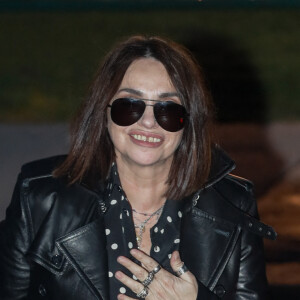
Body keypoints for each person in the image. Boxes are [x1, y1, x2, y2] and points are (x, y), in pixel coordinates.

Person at [0, 35, 276, 300]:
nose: (148, 121)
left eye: (168, 109)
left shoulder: (233, 206)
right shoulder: (40, 198)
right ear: (103, 112)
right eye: (129, 105)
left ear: (190, 121)